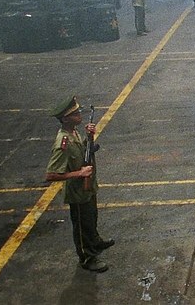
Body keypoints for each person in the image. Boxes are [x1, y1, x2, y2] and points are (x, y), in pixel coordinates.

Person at [45, 96, 114, 273]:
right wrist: (79, 174)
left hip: (87, 187)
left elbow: (82, 152)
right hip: (77, 191)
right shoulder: (62, 142)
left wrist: (89, 137)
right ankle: (87, 257)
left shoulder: (74, 132)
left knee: (91, 217)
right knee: (82, 225)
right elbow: (51, 174)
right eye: (75, 113)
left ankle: (95, 242)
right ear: (65, 119)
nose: (79, 115)